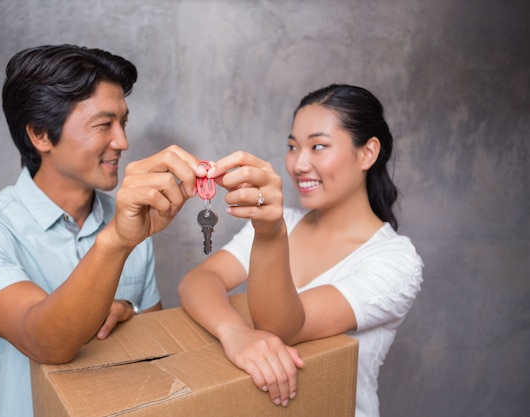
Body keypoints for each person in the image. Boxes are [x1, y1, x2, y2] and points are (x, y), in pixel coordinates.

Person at [0, 44, 206, 417]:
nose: (123, 142)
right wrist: (117, 241)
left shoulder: (134, 219)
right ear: (40, 134)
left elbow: (157, 356)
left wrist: (129, 312)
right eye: (103, 125)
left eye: (123, 123)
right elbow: (43, 340)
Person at [178, 84, 424, 417]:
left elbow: (282, 325)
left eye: (318, 146)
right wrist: (234, 334)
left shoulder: (395, 260)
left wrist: (270, 233)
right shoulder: (286, 222)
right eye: (292, 147)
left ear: (367, 153)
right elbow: (198, 280)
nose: (299, 164)